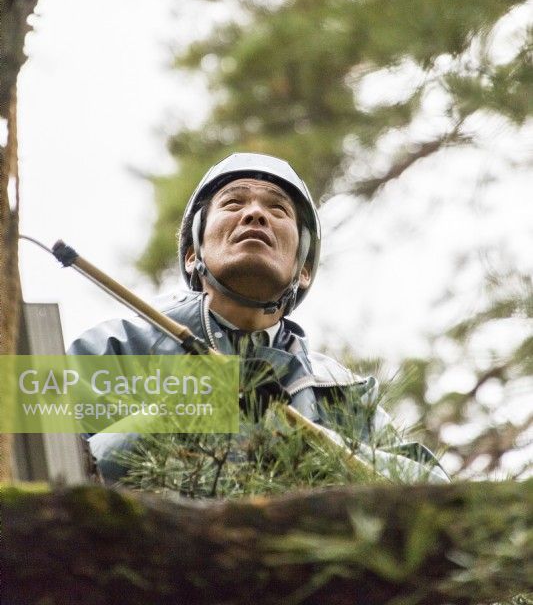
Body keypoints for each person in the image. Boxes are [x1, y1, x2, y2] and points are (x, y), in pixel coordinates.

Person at [69, 152, 448, 484]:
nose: (254, 213)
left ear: (303, 271)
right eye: (233, 204)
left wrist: (316, 450)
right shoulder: (114, 348)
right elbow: (28, 464)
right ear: (192, 255)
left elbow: (436, 498)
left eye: (278, 209)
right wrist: (174, 416)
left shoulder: (339, 394)